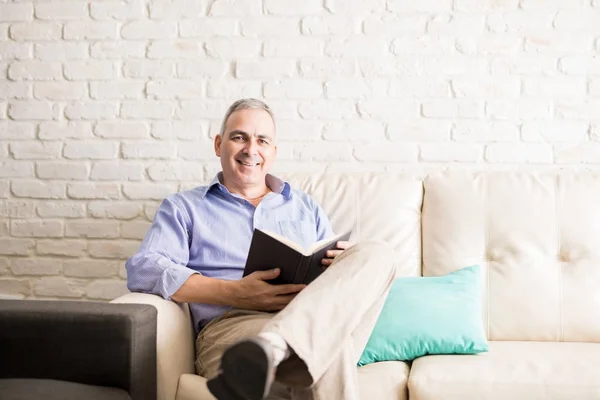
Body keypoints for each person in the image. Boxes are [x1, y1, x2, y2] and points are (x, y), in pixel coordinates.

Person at [126, 98, 397, 400]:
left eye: (262, 140)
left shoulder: (305, 206)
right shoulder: (184, 208)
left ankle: (277, 344)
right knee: (331, 350)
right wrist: (233, 292)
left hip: (312, 317)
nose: (250, 149)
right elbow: (144, 268)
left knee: (378, 252)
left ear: (273, 152)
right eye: (239, 137)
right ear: (219, 145)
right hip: (234, 328)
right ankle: (275, 347)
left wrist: (341, 262)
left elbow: (335, 283)